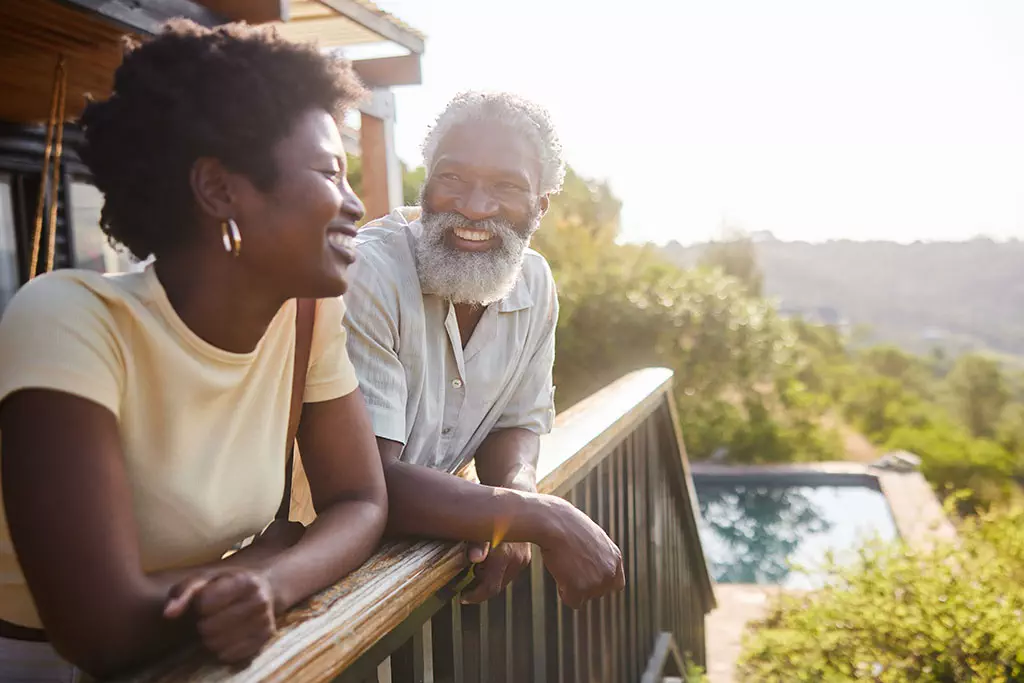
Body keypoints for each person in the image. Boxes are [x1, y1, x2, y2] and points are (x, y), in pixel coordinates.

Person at [0, 21, 387, 681]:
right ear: (219, 190)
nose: (355, 204)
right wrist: (251, 567)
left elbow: (360, 499)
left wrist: (275, 581)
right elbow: (99, 628)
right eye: (329, 171)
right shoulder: (67, 318)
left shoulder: (306, 317)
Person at [344, 92, 624, 608]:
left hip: (414, 579)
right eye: (452, 178)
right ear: (426, 182)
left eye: (506, 185)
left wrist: (514, 496)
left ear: (540, 206)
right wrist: (535, 516)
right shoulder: (367, 274)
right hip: (324, 581)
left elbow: (514, 422)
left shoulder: (534, 281)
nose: (474, 206)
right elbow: (365, 479)